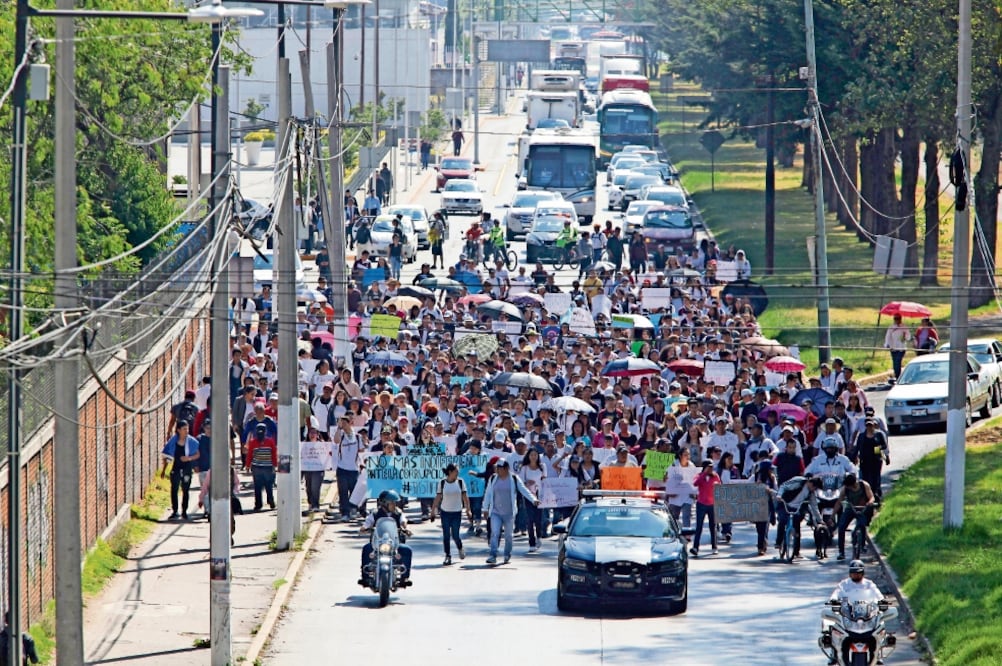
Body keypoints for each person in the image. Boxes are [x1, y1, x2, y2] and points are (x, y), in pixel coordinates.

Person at [824, 560, 884, 665]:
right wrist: (833, 601)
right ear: (850, 573)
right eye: (853, 572)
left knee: (880, 624)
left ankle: (878, 653)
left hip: (866, 615)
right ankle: (834, 652)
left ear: (863, 573)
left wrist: (882, 602)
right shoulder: (844, 584)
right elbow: (836, 594)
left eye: (858, 572)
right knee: (833, 626)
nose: (856, 575)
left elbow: (878, 596)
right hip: (848, 615)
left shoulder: (869, 584)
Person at [482, 458, 540, 565]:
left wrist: (533, 500)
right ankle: (493, 555)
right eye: (497, 468)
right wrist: (485, 508)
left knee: (508, 535)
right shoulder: (493, 478)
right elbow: (488, 494)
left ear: (506, 468)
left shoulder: (513, 479)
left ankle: (507, 553)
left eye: (499, 468)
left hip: (509, 513)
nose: (497, 470)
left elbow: (524, 490)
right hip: (495, 512)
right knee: (495, 533)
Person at [359, 490, 412, 583]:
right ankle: (365, 576)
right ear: (384, 503)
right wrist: (364, 528)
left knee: (407, 550)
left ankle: (405, 577)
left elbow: (403, 521)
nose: (394, 505)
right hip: (377, 543)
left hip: (394, 544)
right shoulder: (375, 513)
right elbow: (368, 522)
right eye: (392, 503)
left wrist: (405, 528)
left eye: (395, 503)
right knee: (366, 549)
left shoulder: (398, 513)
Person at [430, 463, 473, 565]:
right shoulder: (442, 483)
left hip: (456, 512)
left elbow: (465, 497)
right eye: (456, 471)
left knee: (455, 535)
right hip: (445, 512)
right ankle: (447, 555)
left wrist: (468, 510)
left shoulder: (460, 482)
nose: (457, 473)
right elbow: (438, 498)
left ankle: (460, 547)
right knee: (446, 535)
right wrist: (433, 511)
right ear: (450, 472)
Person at [773, 474, 822, 558]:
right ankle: (778, 541)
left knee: (797, 527)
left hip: (796, 508)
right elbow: (783, 486)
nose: (814, 490)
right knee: (782, 520)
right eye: (815, 488)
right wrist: (779, 495)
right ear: (811, 484)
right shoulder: (799, 481)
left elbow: (814, 506)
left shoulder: (811, 493)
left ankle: (796, 551)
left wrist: (820, 520)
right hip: (784, 504)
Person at [160, 420, 200, 520]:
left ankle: (184, 511)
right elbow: (167, 456)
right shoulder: (173, 442)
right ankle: (175, 511)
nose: (186, 431)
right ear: (178, 430)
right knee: (174, 489)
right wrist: (164, 470)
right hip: (176, 468)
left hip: (187, 468)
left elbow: (197, 454)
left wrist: (189, 458)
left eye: (187, 429)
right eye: (184, 429)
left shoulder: (192, 442)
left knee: (185, 490)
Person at [836, 473, 876, 561]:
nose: (848, 488)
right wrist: (832, 515)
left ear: (853, 485)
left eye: (849, 486)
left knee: (862, 524)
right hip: (851, 508)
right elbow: (839, 502)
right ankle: (841, 552)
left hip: (862, 508)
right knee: (841, 527)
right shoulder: (845, 489)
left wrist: (870, 502)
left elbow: (872, 497)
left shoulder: (864, 485)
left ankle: (862, 545)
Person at [332, 414, 364, 521]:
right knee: (343, 492)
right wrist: (339, 428)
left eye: (345, 422)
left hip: (354, 469)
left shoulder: (358, 437)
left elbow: (362, 451)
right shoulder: (340, 435)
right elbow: (336, 441)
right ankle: (345, 512)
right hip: (342, 468)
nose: (344, 425)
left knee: (354, 491)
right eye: (342, 423)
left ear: (350, 423)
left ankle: (354, 509)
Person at [851, 418, 889, 500]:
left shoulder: (879, 434)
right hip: (865, 460)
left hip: (876, 460)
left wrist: (879, 448)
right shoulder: (861, 436)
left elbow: (884, 445)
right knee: (865, 478)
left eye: (871, 425)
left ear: (874, 425)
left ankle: (877, 494)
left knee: (876, 478)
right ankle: (867, 495)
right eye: (867, 425)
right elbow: (857, 448)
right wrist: (854, 457)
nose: (869, 427)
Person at [690, 460, 721, 556]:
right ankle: (695, 547)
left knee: (713, 527)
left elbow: (719, 486)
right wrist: (704, 474)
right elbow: (695, 483)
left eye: (712, 467)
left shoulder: (715, 476)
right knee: (699, 527)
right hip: (701, 504)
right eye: (709, 467)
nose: (711, 469)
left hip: (712, 504)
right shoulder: (699, 476)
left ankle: (714, 546)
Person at [245, 422, 277, 511]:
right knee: (259, 487)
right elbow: (250, 455)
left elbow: (274, 453)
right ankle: (259, 504)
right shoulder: (253, 442)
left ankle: (269, 502)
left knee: (268, 486)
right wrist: (247, 465)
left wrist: (275, 465)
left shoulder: (270, 441)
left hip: (267, 467)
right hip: (257, 468)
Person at [884, 313, 911, 381]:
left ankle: (898, 376)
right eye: (895, 319)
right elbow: (888, 336)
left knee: (898, 361)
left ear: (900, 319)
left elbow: (908, 337)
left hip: (901, 348)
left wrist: (905, 335)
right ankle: (897, 375)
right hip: (893, 347)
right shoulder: (891, 327)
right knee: (894, 362)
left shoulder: (904, 327)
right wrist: (887, 344)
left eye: (898, 318)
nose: (897, 320)